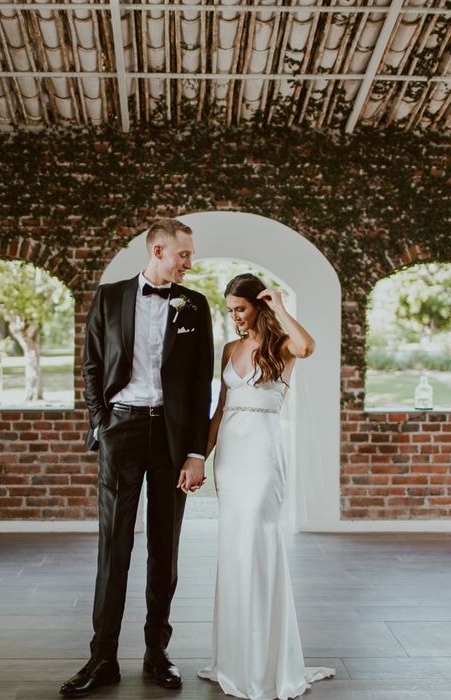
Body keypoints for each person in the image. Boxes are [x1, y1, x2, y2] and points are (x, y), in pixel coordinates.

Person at [60, 218, 214, 696]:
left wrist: (195, 451)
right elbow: (90, 363)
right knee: (114, 547)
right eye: (184, 254)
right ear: (158, 250)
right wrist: (100, 421)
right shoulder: (109, 297)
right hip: (120, 429)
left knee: (164, 549)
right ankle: (102, 658)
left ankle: (156, 654)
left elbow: (201, 382)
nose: (191, 262)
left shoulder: (195, 304)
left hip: (171, 437)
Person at [197, 273, 335, 699]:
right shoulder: (228, 349)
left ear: (258, 305)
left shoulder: (281, 347)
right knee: (235, 548)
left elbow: (308, 347)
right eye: (230, 310)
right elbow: (219, 411)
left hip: (263, 453)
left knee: (259, 544)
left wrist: (280, 307)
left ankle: (265, 661)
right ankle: (235, 657)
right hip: (231, 460)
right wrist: (200, 457)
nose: (235, 317)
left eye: (241, 308)